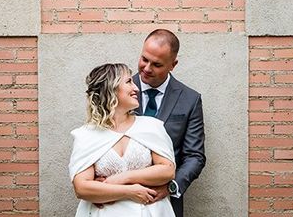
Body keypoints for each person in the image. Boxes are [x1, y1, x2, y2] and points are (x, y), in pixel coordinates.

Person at [69, 63, 177, 217]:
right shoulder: (86, 135)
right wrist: (129, 191)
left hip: (150, 211)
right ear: (111, 89)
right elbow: (82, 188)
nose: (136, 88)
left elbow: (167, 170)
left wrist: (121, 178)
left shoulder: (152, 126)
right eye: (128, 82)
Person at [133, 29, 206, 217]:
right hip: (119, 199)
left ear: (173, 65)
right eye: (144, 59)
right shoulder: (117, 89)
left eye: (156, 64)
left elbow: (195, 156)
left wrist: (171, 187)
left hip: (165, 202)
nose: (147, 68)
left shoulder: (190, 99)